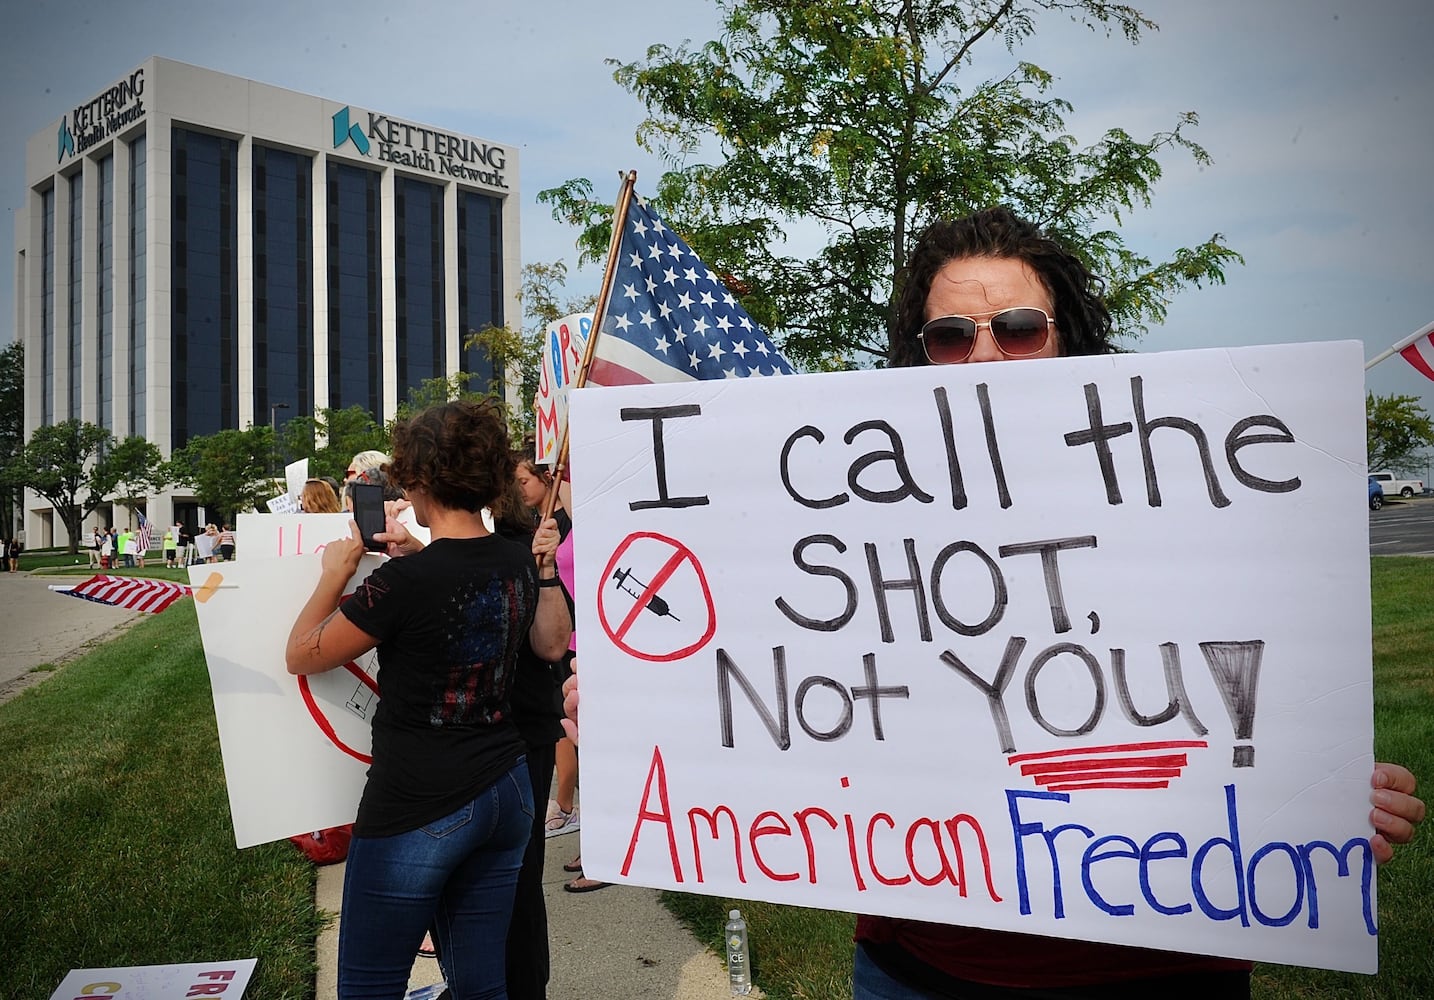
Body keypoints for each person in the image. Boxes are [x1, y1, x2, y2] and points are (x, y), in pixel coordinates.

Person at [285, 399, 572, 999]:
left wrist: (334, 574)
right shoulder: (518, 560)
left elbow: (303, 652)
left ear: (419, 480)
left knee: (370, 982)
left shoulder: (403, 583)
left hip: (420, 800)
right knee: (480, 981)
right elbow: (543, 638)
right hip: (507, 786)